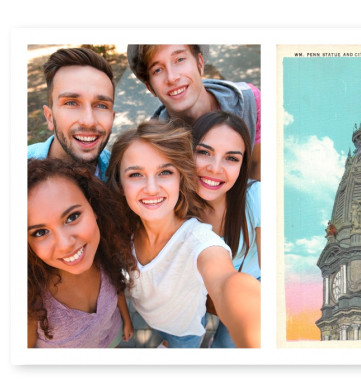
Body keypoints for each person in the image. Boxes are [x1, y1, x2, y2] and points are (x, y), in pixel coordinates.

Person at [105, 120, 260, 348]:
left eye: (165, 172)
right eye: (136, 174)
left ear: (181, 177)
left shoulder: (199, 241)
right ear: (120, 182)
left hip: (185, 333)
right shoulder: (122, 229)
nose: (151, 188)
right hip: (153, 321)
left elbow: (226, 281)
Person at [27, 158, 135, 348]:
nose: (65, 244)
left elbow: (117, 288)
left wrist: (126, 318)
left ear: (93, 208)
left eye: (73, 217)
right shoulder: (29, 302)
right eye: (40, 232)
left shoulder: (103, 252)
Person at [126, 44, 261, 180]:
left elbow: (258, 167)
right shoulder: (154, 144)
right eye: (157, 70)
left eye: (179, 60)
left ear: (200, 63)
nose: (172, 78)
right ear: (150, 88)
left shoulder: (249, 102)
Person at [191, 111, 261, 348]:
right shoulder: (172, 202)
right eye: (204, 152)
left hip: (250, 289)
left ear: (242, 165)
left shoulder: (256, 197)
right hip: (196, 294)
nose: (215, 168)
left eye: (231, 158)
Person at [27, 47, 116, 181]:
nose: (89, 121)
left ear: (112, 118)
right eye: (71, 103)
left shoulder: (121, 175)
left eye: (102, 105)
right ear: (49, 117)